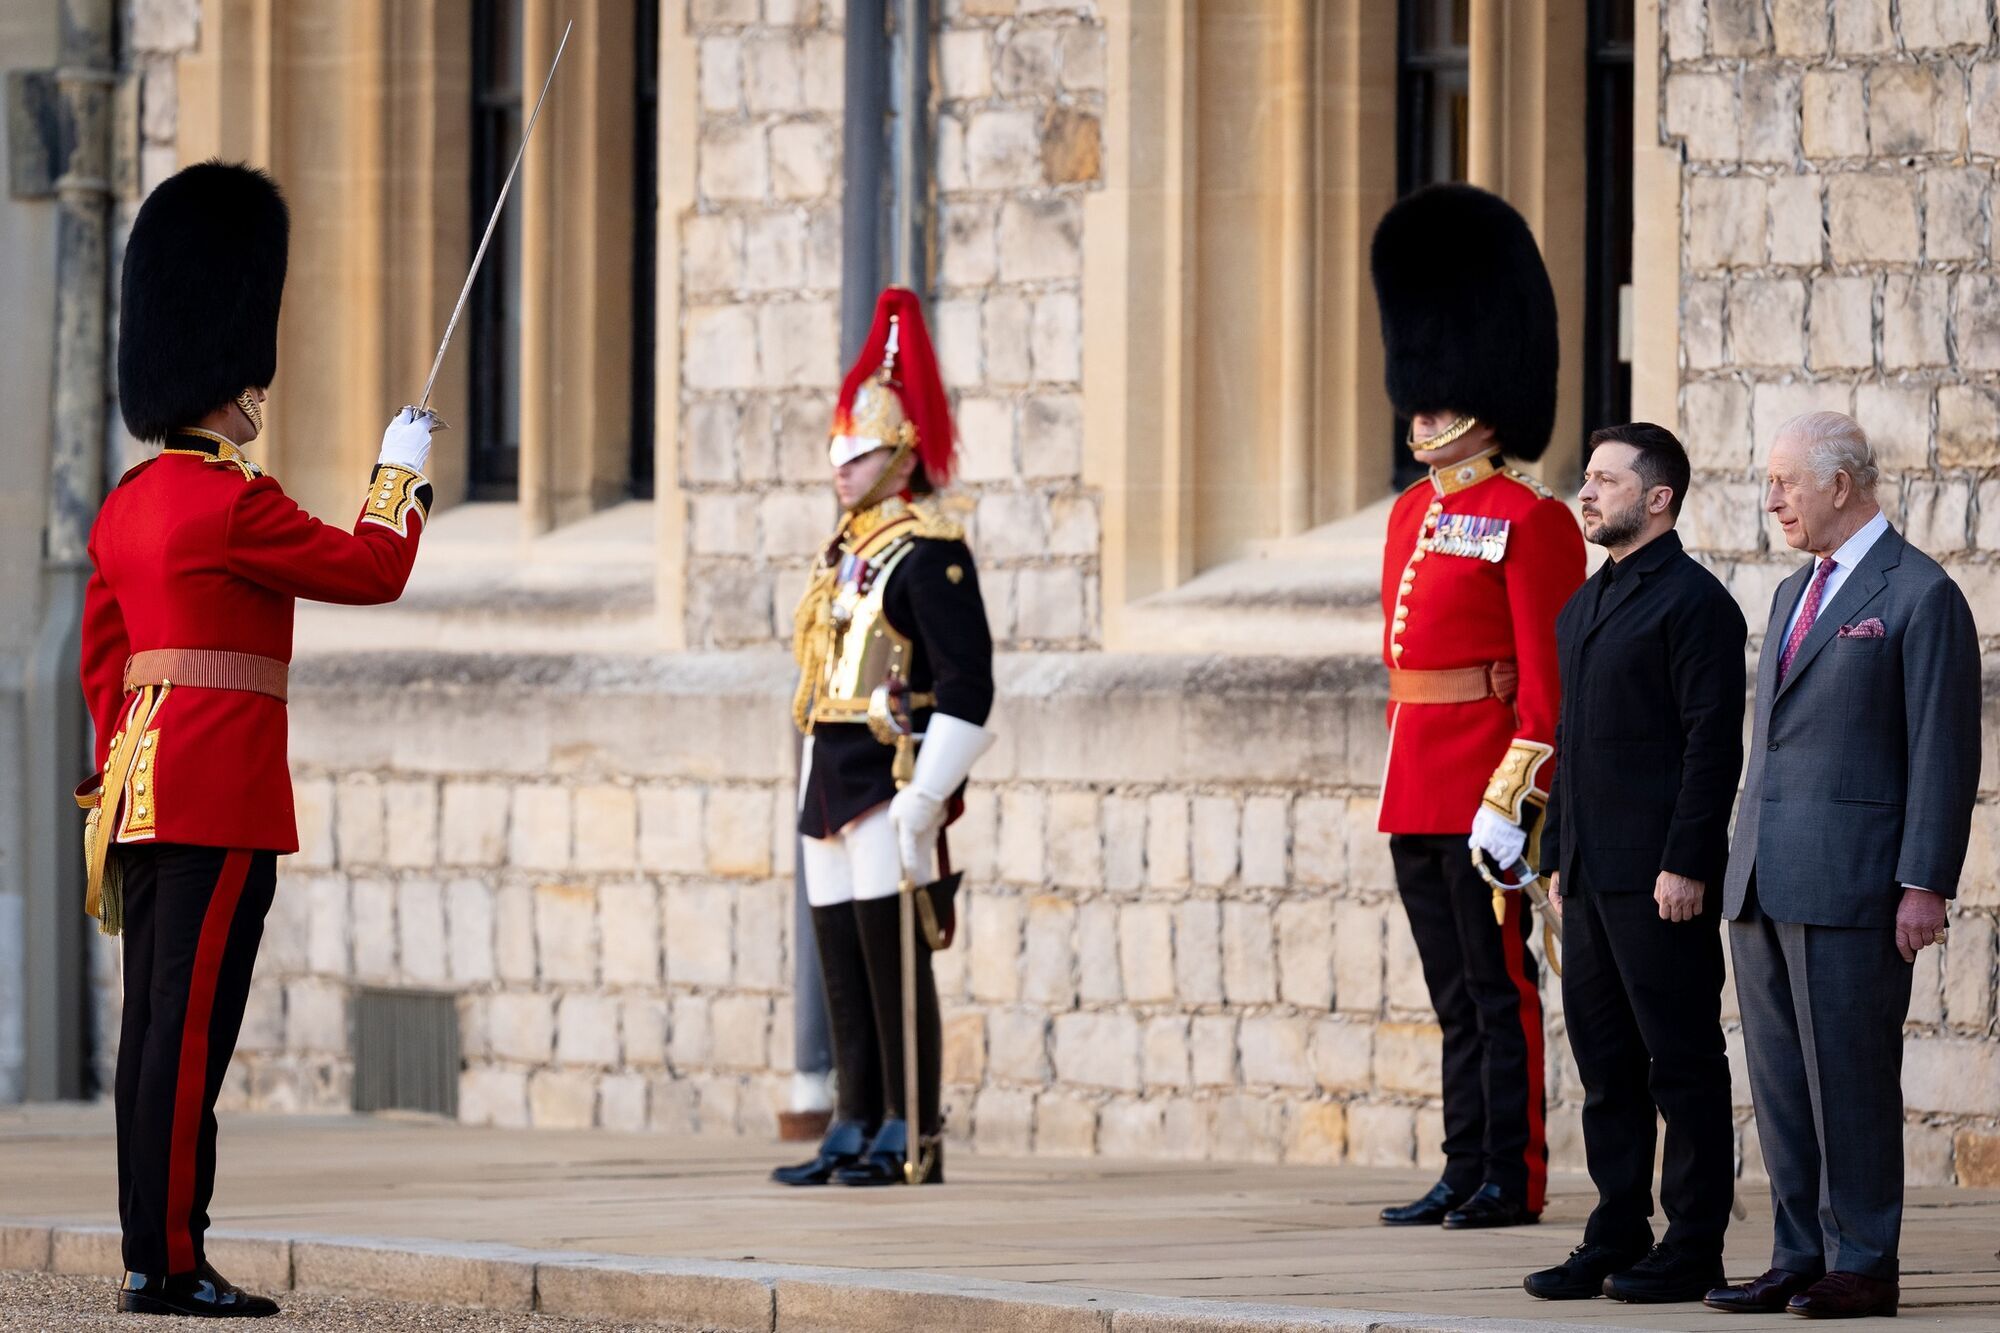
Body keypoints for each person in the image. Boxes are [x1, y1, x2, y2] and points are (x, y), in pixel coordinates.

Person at [80, 161, 436, 1318]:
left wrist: (116, 769)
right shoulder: (232, 502)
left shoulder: (130, 503)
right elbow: (372, 569)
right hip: (222, 793)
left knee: (149, 1033)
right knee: (189, 1039)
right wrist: (401, 469)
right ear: (224, 388)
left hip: (140, 791)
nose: (258, 407)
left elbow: (104, 659)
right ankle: (174, 1262)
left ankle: (150, 1251)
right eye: (252, 394)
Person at [1705, 412, 1980, 1320]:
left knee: (1851, 1079)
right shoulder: (1792, 593)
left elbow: (1944, 750)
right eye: (1769, 479)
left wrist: (1925, 880)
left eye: (1786, 479)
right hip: (1764, 877)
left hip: (1856, 883)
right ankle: (1798, 1252)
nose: (1772, 496)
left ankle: (1864, 1259)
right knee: (1783, 1082)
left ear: (1842, 484)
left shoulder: (1920, 593)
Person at [1369, 184, 1585, 1230]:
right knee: (1452, 996)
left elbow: (1543, 678)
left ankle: (1514, 1172)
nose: (1421, 409)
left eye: (1437, 389)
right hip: (1413, 779)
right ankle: (1462, 1164)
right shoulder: (1411, 511)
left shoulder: (1527, 516)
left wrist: (1518, 799)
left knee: (1502, 993)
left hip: (1486, 786)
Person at [772, 287, 995, 1188]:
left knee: (892, 953)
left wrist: (928, 793)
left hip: (891, 768)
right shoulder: (846, 550)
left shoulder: (931, 549)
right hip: (830, 764)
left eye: (856, 450)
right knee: (839, 955)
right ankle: (855, 1116)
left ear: (899, 451)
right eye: (837, 450)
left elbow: (971, 689)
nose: (841, 465)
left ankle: (911, 1126)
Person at [1521, 424, 1744, 1304]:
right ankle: (1617, 1230)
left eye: (1607, 480)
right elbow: (1573, 745)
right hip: (1591, 875)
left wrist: (1687, 862)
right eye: (1587, 478)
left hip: (1661, 882)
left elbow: (1710, 746)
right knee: (1608, 1066)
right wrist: (1556, 859)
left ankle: (1694, 1243)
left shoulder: (1695, 603)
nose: (1587, 492)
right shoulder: (1584, 605)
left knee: (1681, 1061)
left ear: (1658, 498)